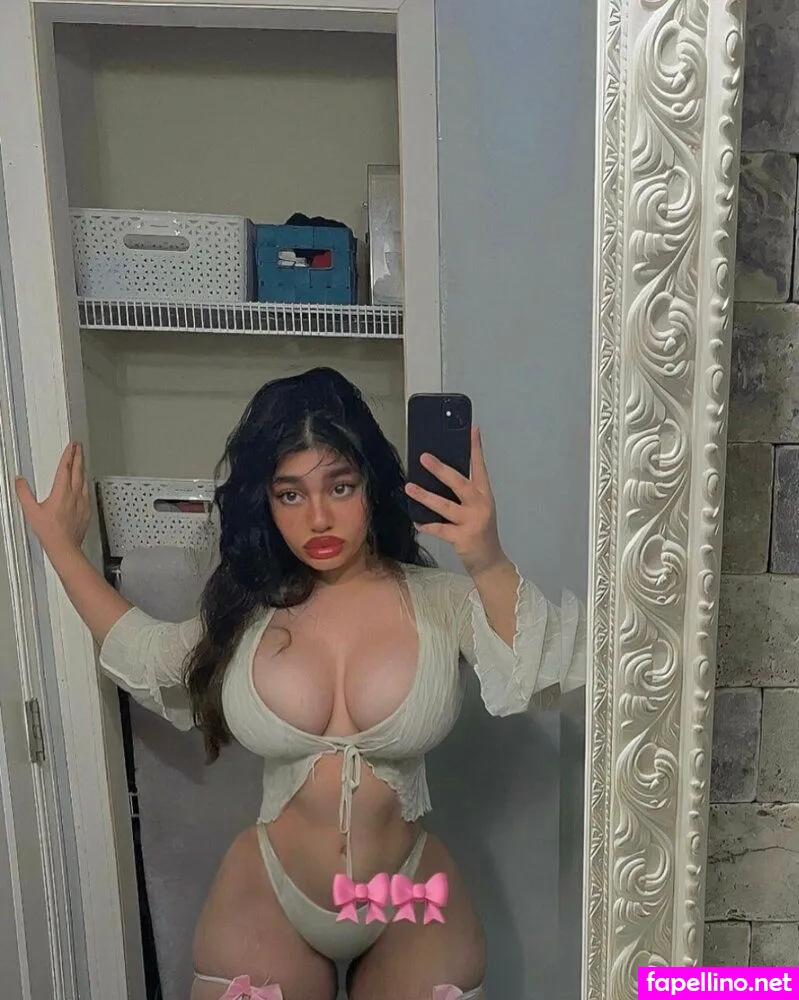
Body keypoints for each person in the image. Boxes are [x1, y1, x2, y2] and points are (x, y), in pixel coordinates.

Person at [15, 367, 585, 1000]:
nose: (318, 518)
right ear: (265, 501)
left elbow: (547, 671)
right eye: (290, 495)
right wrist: (62, 548)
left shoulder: (440, 602)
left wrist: (486, 556)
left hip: (406, 891)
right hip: (271, 892)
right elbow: (147, 655)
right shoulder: (246, 612)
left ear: (371, 485)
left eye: (340, 487)